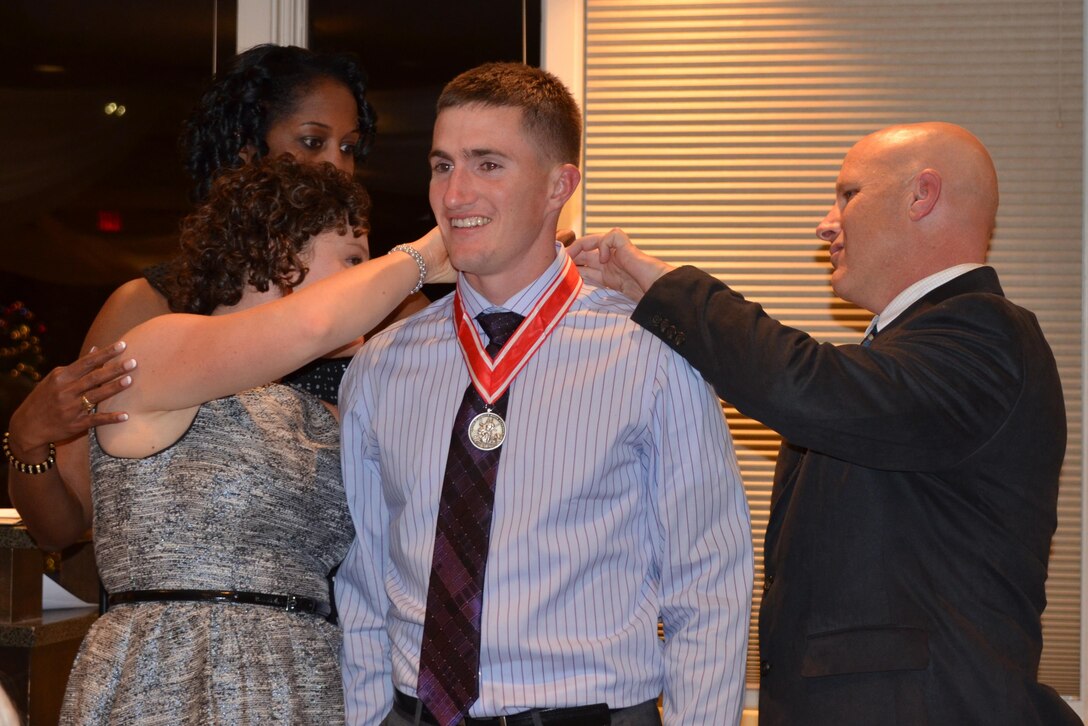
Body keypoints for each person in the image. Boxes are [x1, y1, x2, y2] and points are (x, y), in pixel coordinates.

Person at [570, 122, 1081, 724]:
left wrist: (669, 290)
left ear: (922, 195)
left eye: (847, 195)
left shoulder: (988, 334)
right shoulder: (905, 355)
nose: (825, 222)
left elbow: (806, 388)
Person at [337, 62, 753, 726]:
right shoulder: (383, 365)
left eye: (488, 164)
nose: (455, 193)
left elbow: (708, 584)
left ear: (560, 184)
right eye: (442, 166)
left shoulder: (649, 354)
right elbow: (363, 579)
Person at [47, 155, 449, 724]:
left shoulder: (325, 409)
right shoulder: (155, 350)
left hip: (305, 679)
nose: (371, 282)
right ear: (284, 253)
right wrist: (428, 253)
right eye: (354, 259)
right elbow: (315, 324)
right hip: (171, 670)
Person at [7, 43, 427, 550]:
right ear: (245, 149)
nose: (337, 166)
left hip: (347, 617)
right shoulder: (150, 309)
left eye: (349, 147)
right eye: (314, 141)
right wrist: (27, 442)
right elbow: (62, 525)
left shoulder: (385, 310)